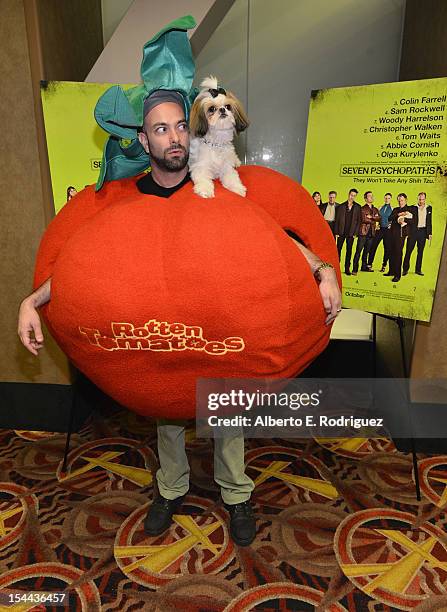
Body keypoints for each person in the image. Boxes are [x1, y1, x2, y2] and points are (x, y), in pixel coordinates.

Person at [18, 91, 342, 547]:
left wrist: (323, 270)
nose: (174, 137)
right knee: (163, 409)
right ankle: (171, 488)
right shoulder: (121, 198)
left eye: (180, 126)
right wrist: (32, 301)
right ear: (144, 141)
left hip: (221, 334)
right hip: (160, 339)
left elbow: (271, 236)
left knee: (227, 409)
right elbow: (78, 264)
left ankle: (235, 493)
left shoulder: (213, 185)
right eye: (161, 129)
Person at [403, 191, 432, 276]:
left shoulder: (429, 208)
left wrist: (429, 233)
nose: (421, 201)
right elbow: (406, 215)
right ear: (417, 199)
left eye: (422, 199)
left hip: (423, 232)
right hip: (413, 232)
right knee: (408, 251)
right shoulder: (412, 207)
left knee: (420, 252)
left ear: (425, 199)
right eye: (419, 199)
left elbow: (429, 221)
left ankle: (418, 270)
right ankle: (405, 269)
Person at [387, 192, 414, 282]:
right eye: (399, 200)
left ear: (406, 200)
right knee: (390, 252)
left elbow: (413, 221)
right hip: (391, 234)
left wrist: (404, 218)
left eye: (402, 200)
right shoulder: (395, 209)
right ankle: (391, 271)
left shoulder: (409, 209)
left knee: (398, 253)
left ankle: (397, 275)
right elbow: (389, 218)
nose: (400, 202)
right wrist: (398, 215)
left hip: (401, 234)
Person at [334, 188, 361, 275]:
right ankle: (336, 268)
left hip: (351, 233)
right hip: (341, 232)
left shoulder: (358, 207)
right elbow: (337, 220)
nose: (352, 197)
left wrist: (355, 233)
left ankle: (347, 269)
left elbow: (359, 221)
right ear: (348, 194)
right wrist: (336, 232)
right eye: (351, 195)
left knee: (349, 251)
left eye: (354, 196)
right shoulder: (341, 206)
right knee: (338, 250)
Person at [351, 191, 380, 275]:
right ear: (366, 199)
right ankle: (355, 269)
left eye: (372, 196)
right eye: (370, 196)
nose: (372, 197)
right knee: (358, 251)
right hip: (363, 232)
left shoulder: (375, 209)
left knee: (366, 251)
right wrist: (374, 218)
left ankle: (364, 267)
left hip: (371, 233)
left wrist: (371, 217)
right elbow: (364, 219)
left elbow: (379, 218)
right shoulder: (362, 208)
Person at [367, 192, 393, 273]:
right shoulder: (380, 207)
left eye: (388, 198)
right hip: (380, 229)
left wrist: (390, 225)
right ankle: (369, 264)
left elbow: (393, 219)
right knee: (373, 246)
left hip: (388, 231)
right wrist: (377, 225)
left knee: (387, 248)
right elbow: (377, 218)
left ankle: (384, 265)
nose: (387, 199)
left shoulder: (392, 208)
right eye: (385, 198)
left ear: (390, 199)